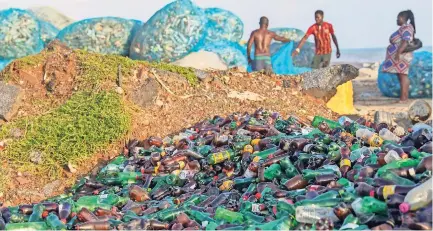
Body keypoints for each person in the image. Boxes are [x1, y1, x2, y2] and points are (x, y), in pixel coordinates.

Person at [382, 10, 416, 103]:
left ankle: (403, 99)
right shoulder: (405, 27)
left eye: (397, 18)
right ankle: (404, 97)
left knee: (403, 76)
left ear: (401, 18)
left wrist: (398, 53)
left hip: (402, 56)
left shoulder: (406, 27)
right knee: (401, 75)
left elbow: (405, 40)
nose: (396, 20)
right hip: (401, 55)